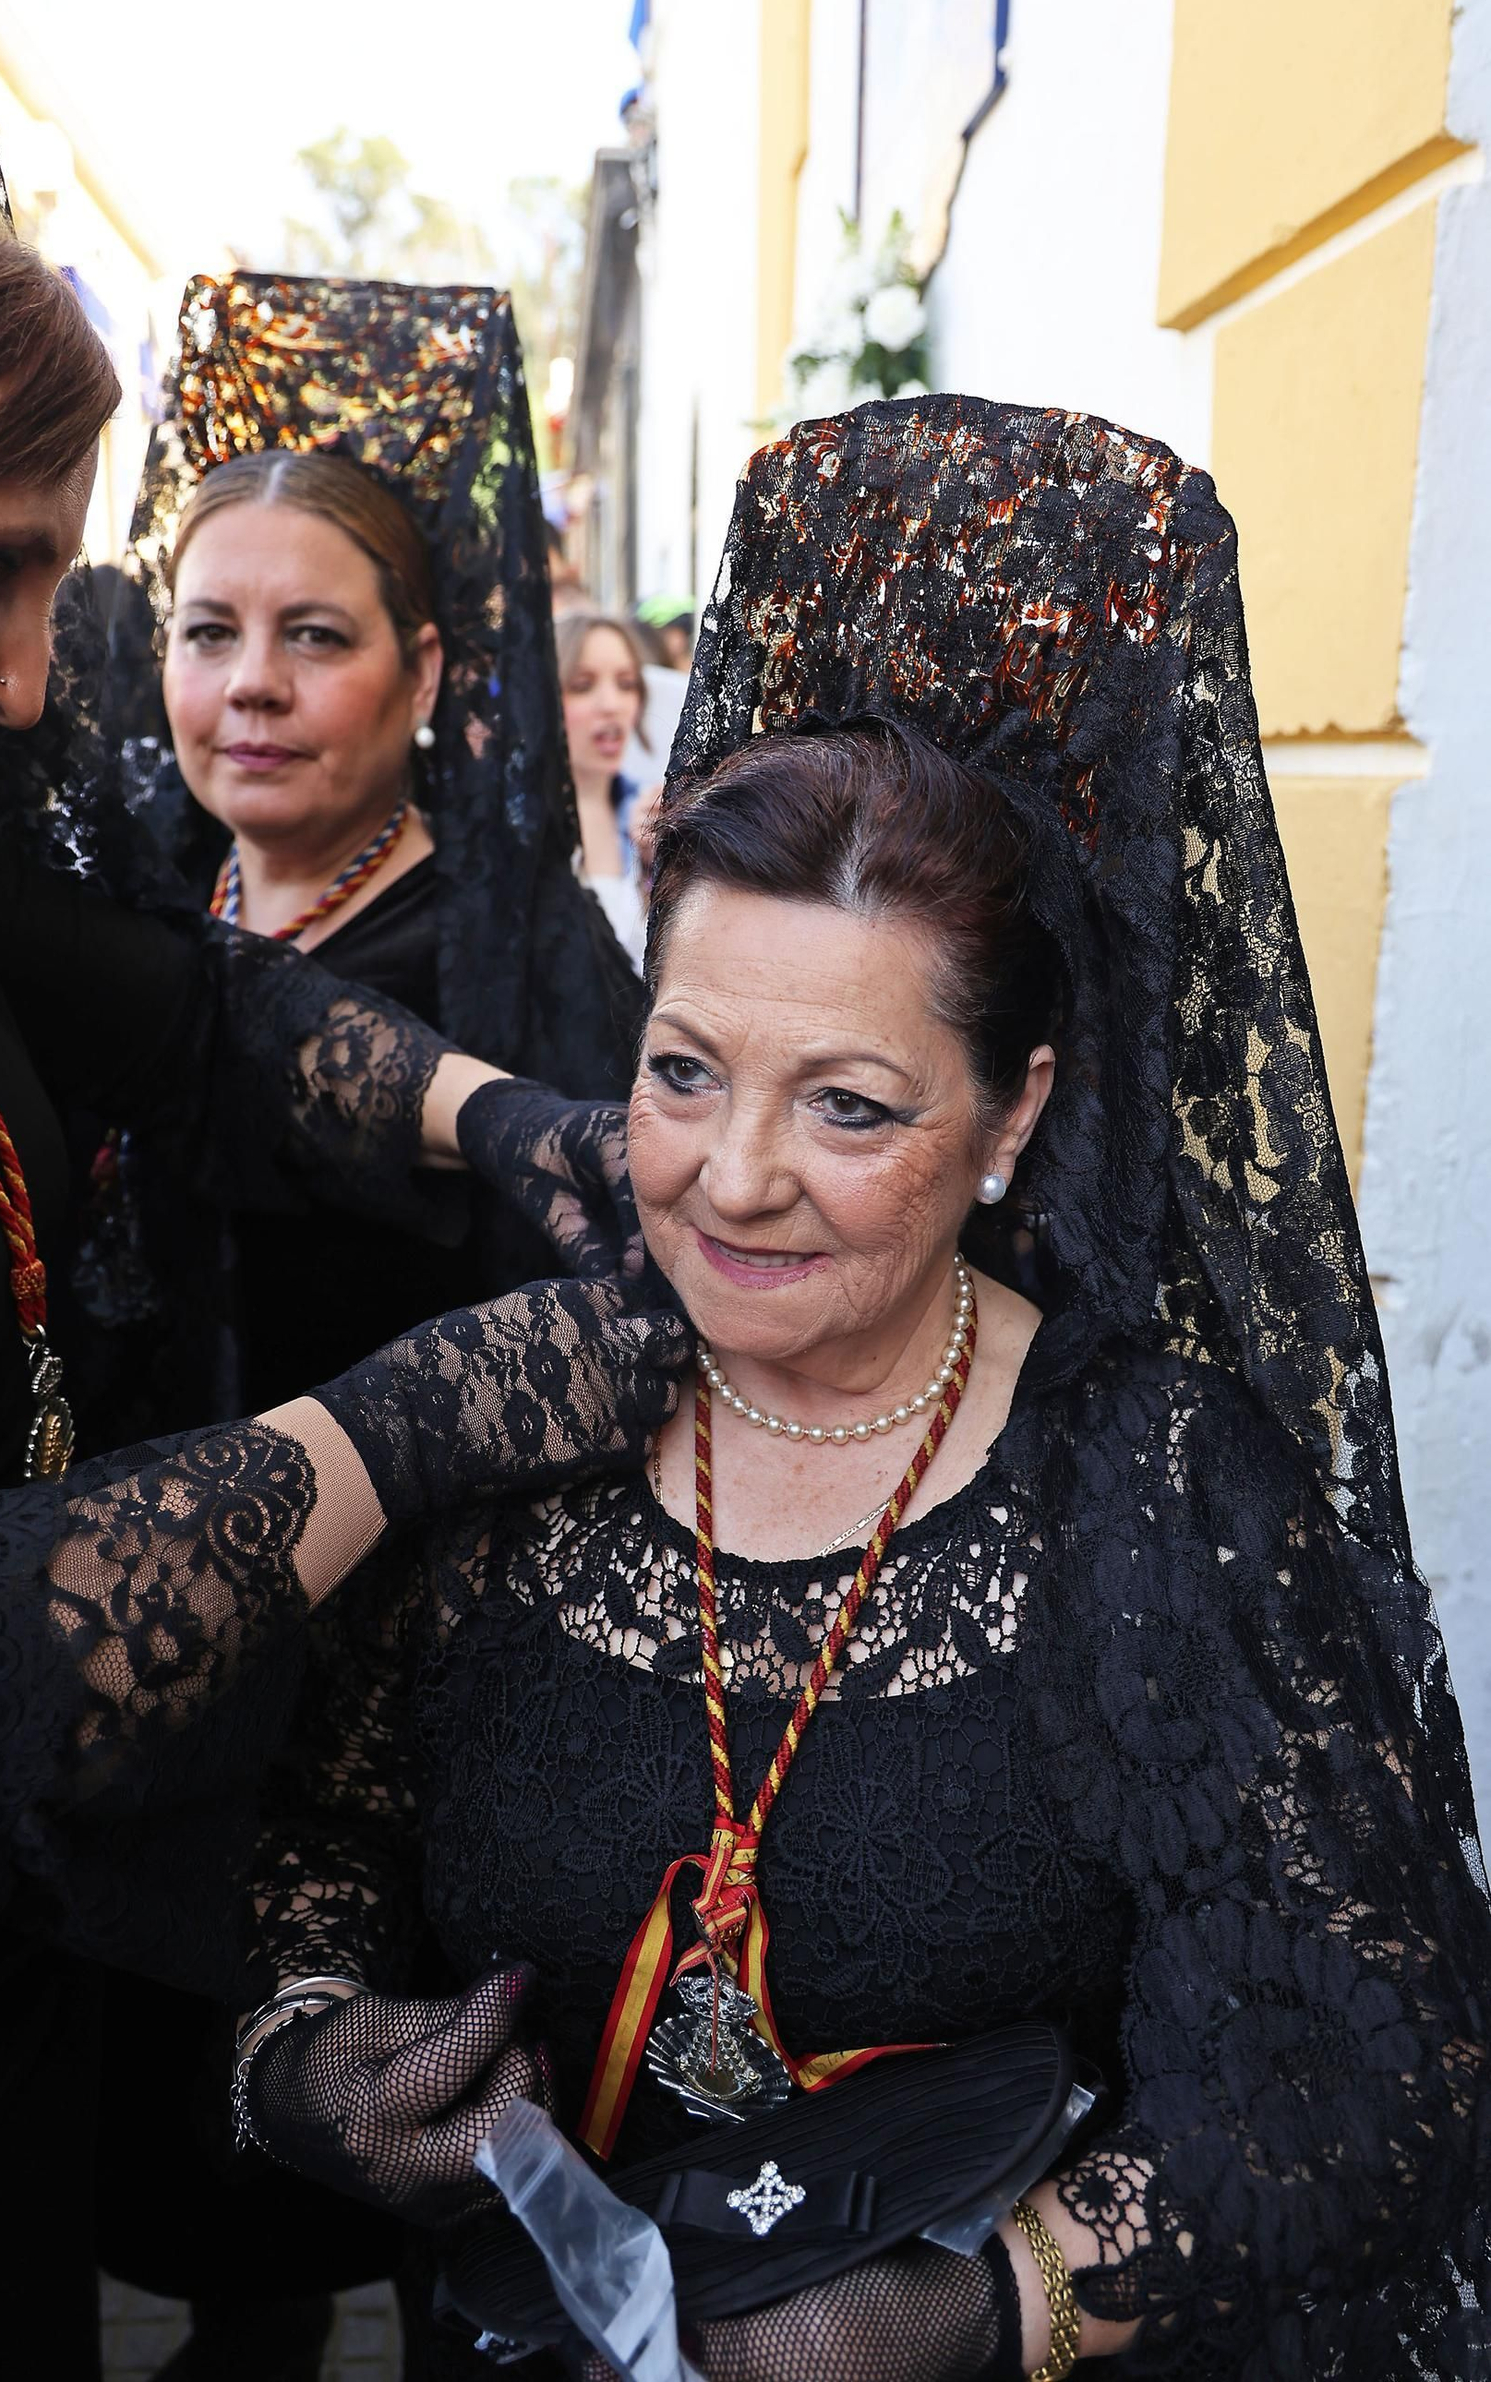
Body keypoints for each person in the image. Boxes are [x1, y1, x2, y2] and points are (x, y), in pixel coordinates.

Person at [235, 397, 1491, 2382]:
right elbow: (327, 1824)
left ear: (1011, 1121)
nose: (728, 1178)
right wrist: (313, 2046)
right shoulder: (521, 1416)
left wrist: (1005, 2297)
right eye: (678, 1069)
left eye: (847, 1105)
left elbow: (1362, 2046)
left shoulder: (1160, 1492)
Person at [0, 38, 682, 2381]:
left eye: (62, 585)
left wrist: (505, 1122)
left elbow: (191, 1014)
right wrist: (409, 1417)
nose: (51, 684)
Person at [97, 276, 641, 1427]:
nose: (251, 681)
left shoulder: (517, 955)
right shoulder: (124, 901)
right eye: (208, 632)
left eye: (315, 635)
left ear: (425, 670)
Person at [556, 608, 652, 969]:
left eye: (626, 684)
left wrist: (657, 866)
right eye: (583, 686)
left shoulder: (653, 810)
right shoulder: (512, 822)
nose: (611, 705)